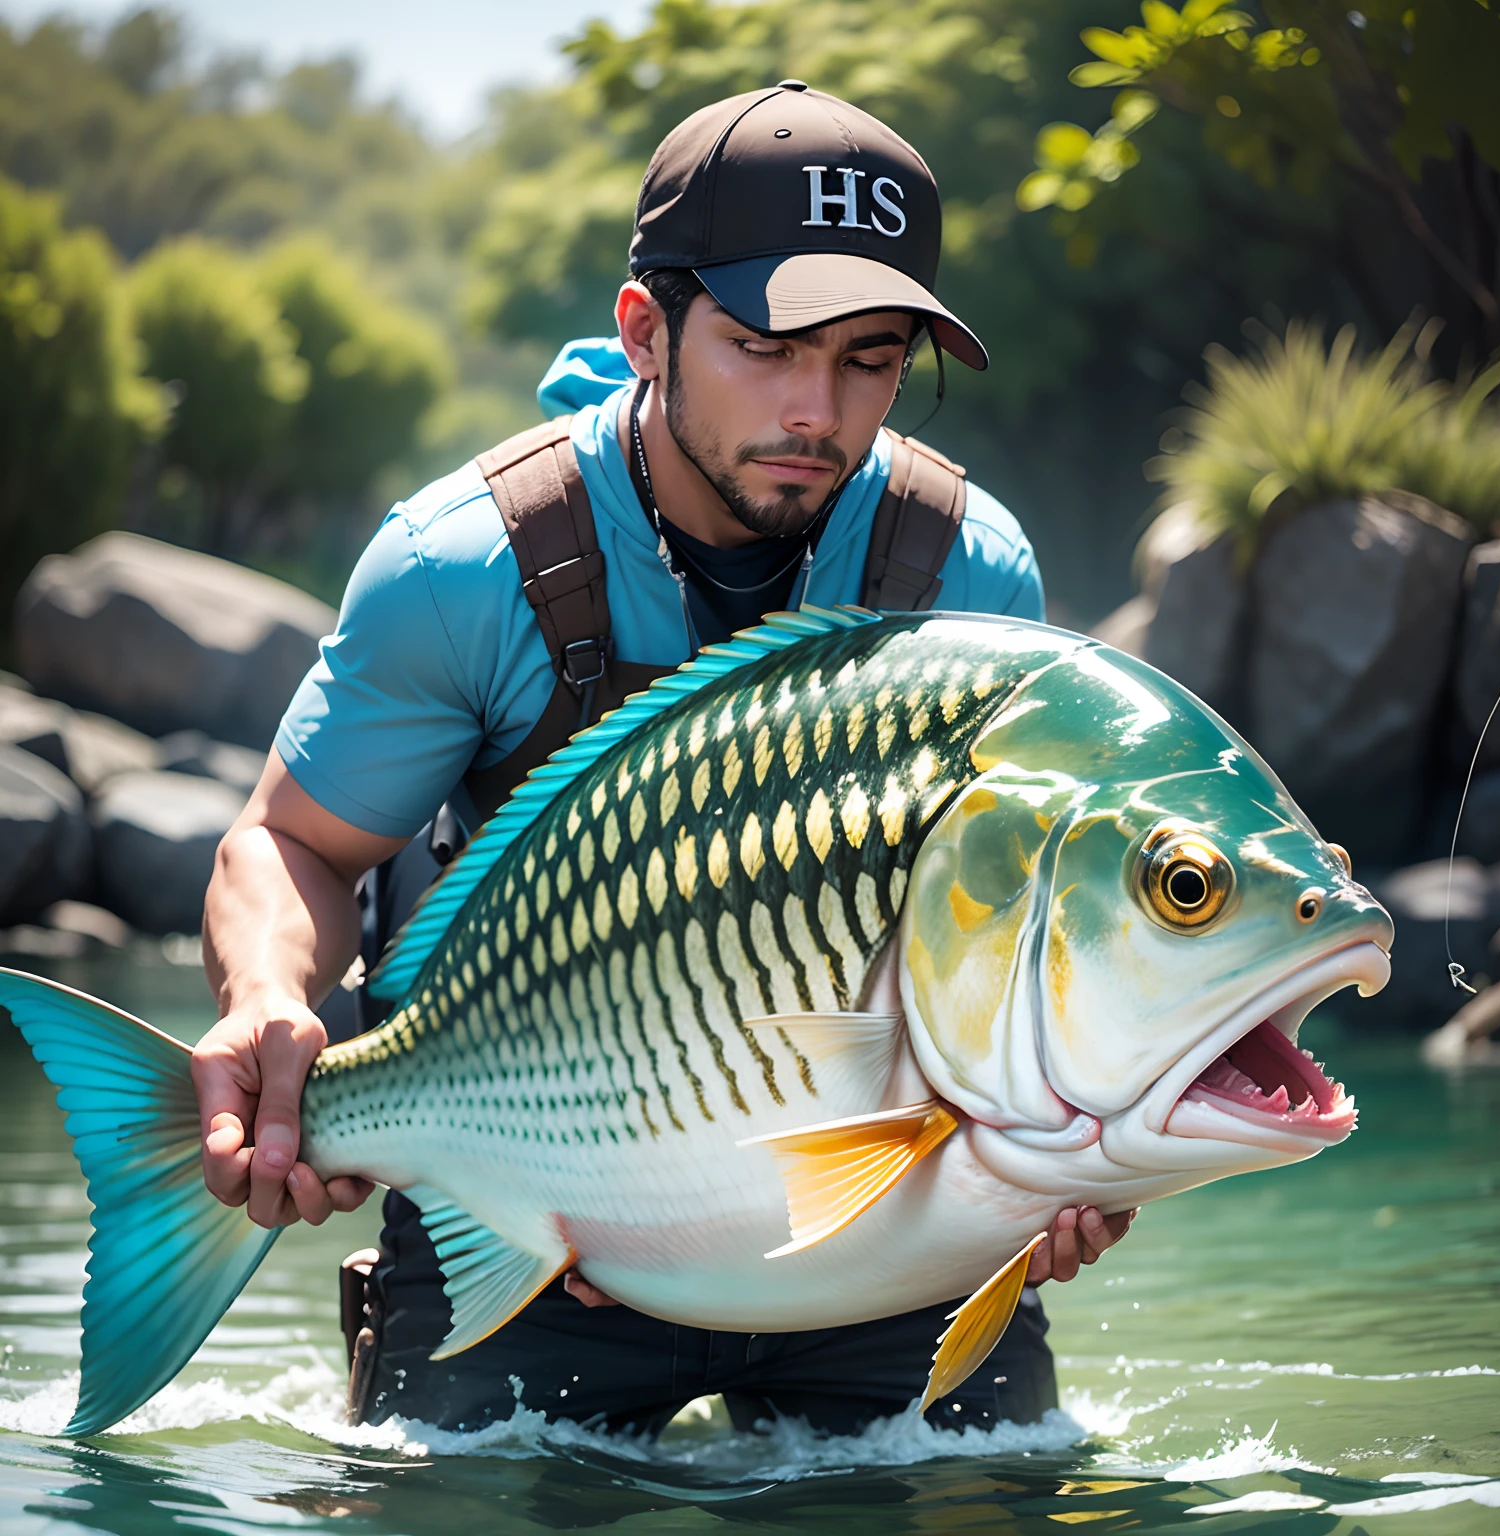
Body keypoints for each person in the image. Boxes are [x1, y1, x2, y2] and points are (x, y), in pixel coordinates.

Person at [195, 80, 1134, 1437]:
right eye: (765, 344)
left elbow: (1036, 929)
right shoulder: (459, 566)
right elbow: (293, 842)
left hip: (890, 1249)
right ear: (650, 326)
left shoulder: (969, 569)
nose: (817, 409)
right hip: (537, 1230)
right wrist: (270, 998)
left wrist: (1076, 1146)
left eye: (871, 358)